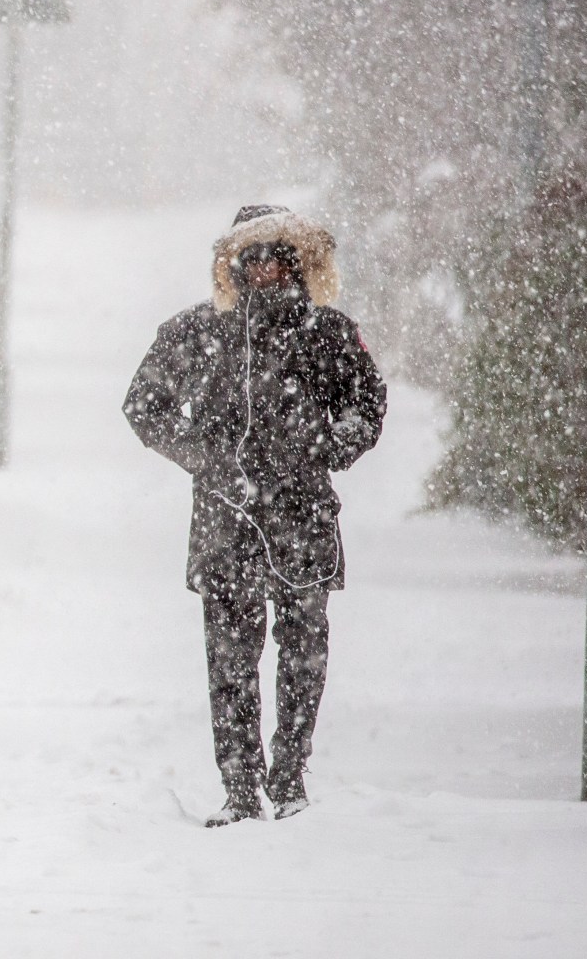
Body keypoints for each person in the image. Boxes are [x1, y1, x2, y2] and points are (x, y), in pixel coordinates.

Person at [123, 205, 386, 827]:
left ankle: (290, 779)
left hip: (303, 518)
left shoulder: (328, 333)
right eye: (253, 255)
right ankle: (239, 788)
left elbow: (366, 407)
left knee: (302, 652)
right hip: (224, 519)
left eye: (278, 254)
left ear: (299, 261)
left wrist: (324, 449)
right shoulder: (197, 331)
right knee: (231, 660)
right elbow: (143, 404)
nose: (265, 267)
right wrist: (205, 458)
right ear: (234, 264)